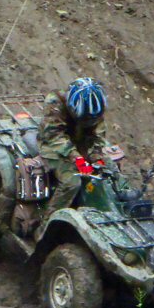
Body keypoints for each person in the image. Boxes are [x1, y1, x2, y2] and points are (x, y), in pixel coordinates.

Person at [37, 77, 113, 219]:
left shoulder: (95, 109)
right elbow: (54, 136)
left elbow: (98, 137)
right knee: (71, 182)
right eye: (85, 120)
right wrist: (77, 158)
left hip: (80, 143)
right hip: (52, 146)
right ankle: (48, 221)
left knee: (110, 170)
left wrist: (97, 159)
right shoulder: (55, 103)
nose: (88, 122)